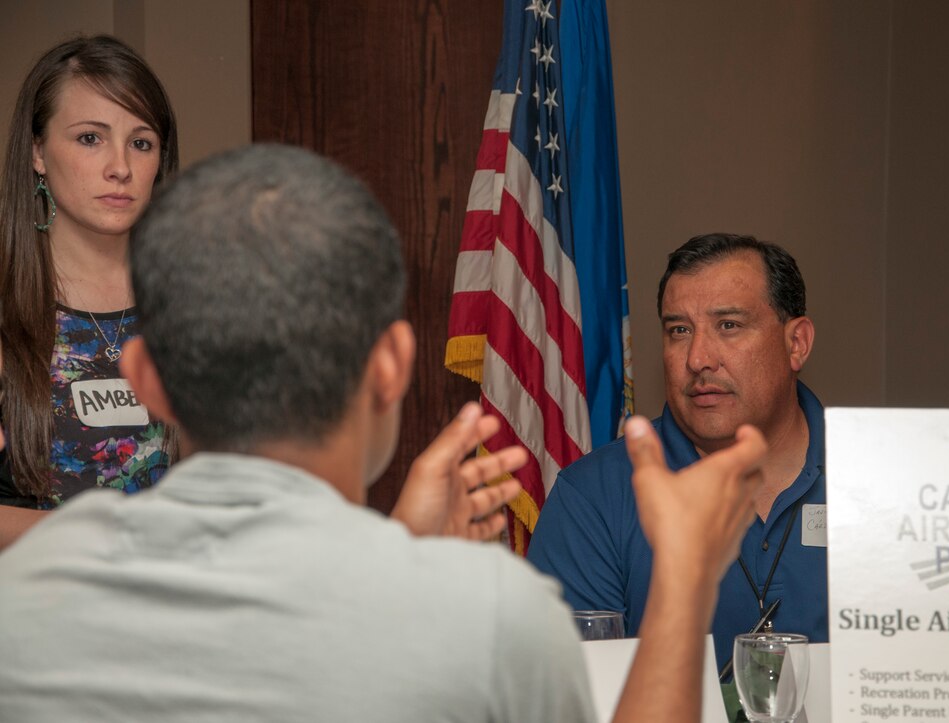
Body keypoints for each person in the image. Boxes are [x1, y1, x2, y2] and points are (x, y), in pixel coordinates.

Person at [0, 145, 769, 722]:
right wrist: (684, 579)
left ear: (144, 376)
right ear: (392, 366)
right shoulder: (491, 618)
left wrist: (400, 543)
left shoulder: (26, 591)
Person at [528, 233, 827, 674]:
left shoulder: (882, 479)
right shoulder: (593, 496)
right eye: (679, 331)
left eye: (729, 325)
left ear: (796, 343)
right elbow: (565, 692)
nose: (698, 358)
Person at [0, 35, 179, 548]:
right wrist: (104, 538)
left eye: (141, 143)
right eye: (90, 138)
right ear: (38, 152)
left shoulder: (193, 305)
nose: (120, 167)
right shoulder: (7, 307)